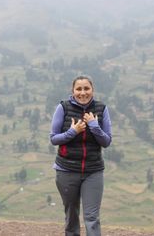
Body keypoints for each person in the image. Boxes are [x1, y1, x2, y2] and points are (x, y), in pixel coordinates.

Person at [50, 75, 112, 236]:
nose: (82, 92)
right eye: (79, 89)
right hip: (66, 170)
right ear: (73, 91)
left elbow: (106, 141)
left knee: (92, 217)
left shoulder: (102, 109)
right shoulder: (62, 108)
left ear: (92, 90)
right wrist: (73, 131)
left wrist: (94, 126)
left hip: (93, 171)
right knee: (71, 216)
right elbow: (54, 138)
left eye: (86, 88)